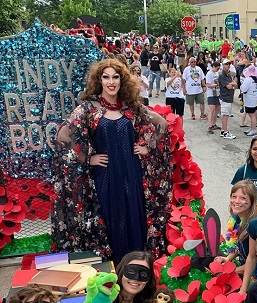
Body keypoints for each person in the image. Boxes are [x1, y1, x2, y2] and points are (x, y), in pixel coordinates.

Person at [51, 59, 171, 263]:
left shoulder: (131, 107)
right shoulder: (89, 108)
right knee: (111, 218)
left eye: (115, 77)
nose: (111, 82)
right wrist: (87, 158)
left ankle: (134, 266)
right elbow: (62, 136)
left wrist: (147, 147)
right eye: (106, 77)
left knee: (133, 215)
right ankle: (113, 267)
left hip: (131, 172)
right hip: (105, 174)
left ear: (122, 80)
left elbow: (162, 124)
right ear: (99, 81)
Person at [214, 180, 257, 274]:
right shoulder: (237, 218)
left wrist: (229, 271)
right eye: (234, 197)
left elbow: (255, 262)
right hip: (243, 266)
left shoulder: (256, 225)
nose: (237, 201)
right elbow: (238, 246)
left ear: (252, 201)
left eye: (243, 198)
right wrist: (227, 258)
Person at [219, 59, 238, 140]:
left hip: (228, 97)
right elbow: (229, 86)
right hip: (225, 97)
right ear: (223, 65)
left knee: (226, 115)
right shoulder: (222, 75)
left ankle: (223, 131)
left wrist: (233, 83)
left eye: (229, 64)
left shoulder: (228, 75)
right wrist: (233, 83)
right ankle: (225, 132)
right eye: (226, 64)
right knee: (225, 115)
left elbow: (234, 84)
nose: (228, 65)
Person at [240, 64, 257, 137]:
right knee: (254, 114)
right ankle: (252, 128)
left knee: (252, 116)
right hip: (256, 99)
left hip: (250, 100)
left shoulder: (248, 79)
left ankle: (253, 129)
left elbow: (243, 89)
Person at [205, 60, 221, 133]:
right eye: (217, 68)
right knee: (211, 110)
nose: (218, 69)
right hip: (211, 94)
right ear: (213, 67)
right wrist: (216, 85)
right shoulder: (209, 74)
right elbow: (208, 85)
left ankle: (214, 123)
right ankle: (210, 126)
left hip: (217, 93)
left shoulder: (216, 73)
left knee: (217, 109)